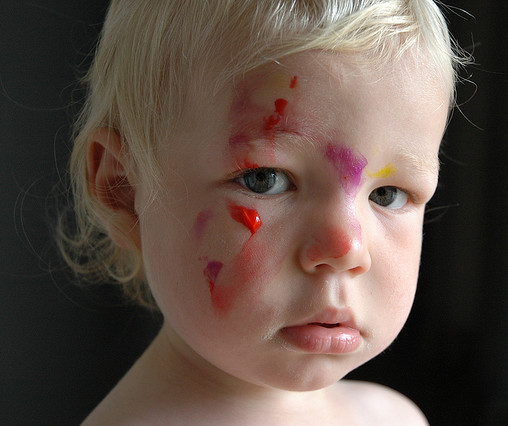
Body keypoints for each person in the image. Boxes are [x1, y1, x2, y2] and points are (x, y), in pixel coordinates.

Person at [58, 0, 465, 424]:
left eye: (388, 195)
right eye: (265, 180)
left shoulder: (394, 417)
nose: (346, 247)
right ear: (124, 192)